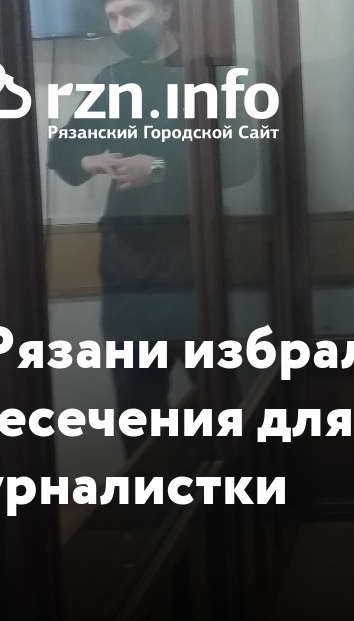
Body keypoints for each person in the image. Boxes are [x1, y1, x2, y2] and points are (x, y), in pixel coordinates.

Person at [48, 0, 253, 456]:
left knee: (222, 403)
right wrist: (90, 159)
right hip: (128, 268)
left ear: (164, 10)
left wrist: (157, 167)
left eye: (131, 12)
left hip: (192, 261)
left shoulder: (210, 74)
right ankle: (152, 502)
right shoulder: (112, 79)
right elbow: (61, 152)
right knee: (137, 408)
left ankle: (234, 495)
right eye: (112, 17)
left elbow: (241, 161)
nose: (121, 25)